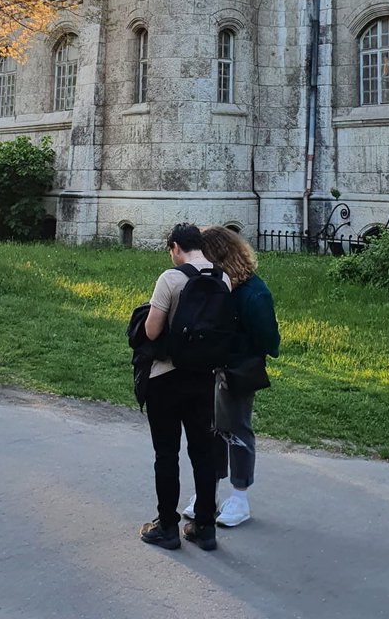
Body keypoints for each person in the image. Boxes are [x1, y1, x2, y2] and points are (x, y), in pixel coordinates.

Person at [138, 222, 231, 552]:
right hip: (204, 378)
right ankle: (205, 527)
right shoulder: (223, 279)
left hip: (166, 377)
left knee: (166, 453)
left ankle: (167, 526)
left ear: (176, 247)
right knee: (203, 453)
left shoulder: (170, 279)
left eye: (171, 250)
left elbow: (151, 332)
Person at [185, 226, 280, 528]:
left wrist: (236, 350)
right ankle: (207, 492)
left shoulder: (253, 293)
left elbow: (269, 341)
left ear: (218, 256)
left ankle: (240, 496)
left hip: (237, 370)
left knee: (236, 430)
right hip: (209, 368)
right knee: (210, 430)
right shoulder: (214, 285)